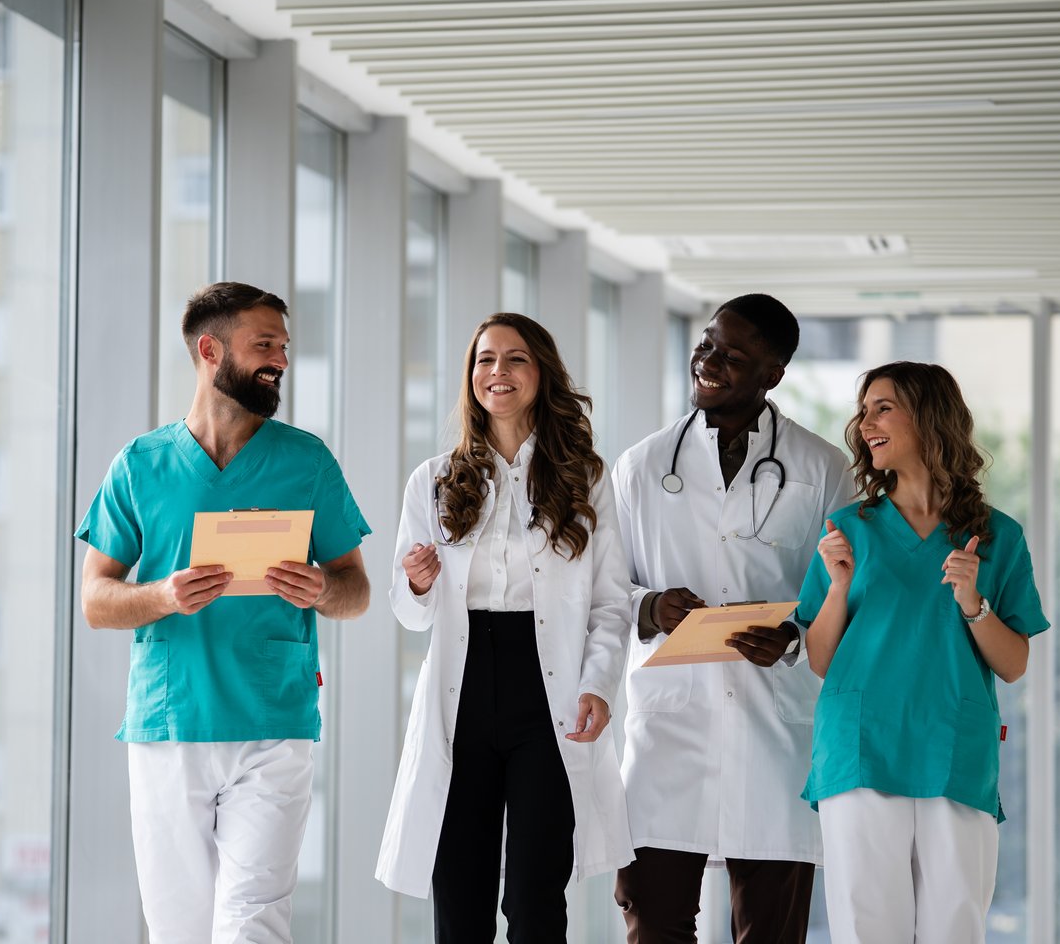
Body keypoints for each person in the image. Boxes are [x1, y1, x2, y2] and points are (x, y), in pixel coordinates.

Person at [75, 282, 371, 944]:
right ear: (210, 350)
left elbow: (356, 588)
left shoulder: (306, 461)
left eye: (284, 347)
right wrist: (163, 595)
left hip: (274, 724)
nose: (281, 361)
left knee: (252, 922)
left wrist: (320, 588)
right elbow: (96, 599)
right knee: (180, 929)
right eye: (264, 345)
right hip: (169, 723)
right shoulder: (141, 465)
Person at [376, 312, 634, 942]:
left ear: (542, 372)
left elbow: (610, 602)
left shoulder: (586, 479)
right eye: (484, 360)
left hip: (547, 693)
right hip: (462, 691)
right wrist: (416, 581)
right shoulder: (434, 479)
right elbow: (409, 614)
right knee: (458, 890)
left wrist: (598, 685)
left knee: (536, 894)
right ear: (471, 377)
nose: (498, 373)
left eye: (515, 358)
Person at [611, 294, 855, 944]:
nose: (710, 361)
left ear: (772, 374)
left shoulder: (820, 467)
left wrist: (794, 639)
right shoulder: (640, 466)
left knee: (772, 931)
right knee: (654, 923)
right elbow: (602, 590)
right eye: (709, 344)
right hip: (668, 727)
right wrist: (650, 606)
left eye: (734, 355)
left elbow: (845, 594)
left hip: (773, 728)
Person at [797, 361, 1049, 944]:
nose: (866, 423)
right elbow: (820, 658)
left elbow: (1013, 664)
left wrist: (973, 602)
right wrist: (838, 587)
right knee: (867, 930)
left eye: (882, 407)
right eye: (864, 410)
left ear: (930, 417)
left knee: (955, 928)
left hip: (952, 748)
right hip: (860, 749)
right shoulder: (845, 529)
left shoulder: (996, 536)